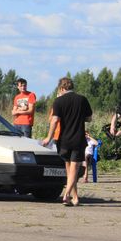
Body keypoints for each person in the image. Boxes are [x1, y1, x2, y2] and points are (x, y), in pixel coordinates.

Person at [41, 77, 93, 206]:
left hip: (63, 140)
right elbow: (89, 118)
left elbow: (54, 120)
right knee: (74, 170)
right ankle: (67, 194)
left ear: (61, 88)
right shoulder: (82, 99)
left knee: (69, 170)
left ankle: (74, 198)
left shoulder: (58, 101)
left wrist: (49, 137)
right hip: (78, 138)